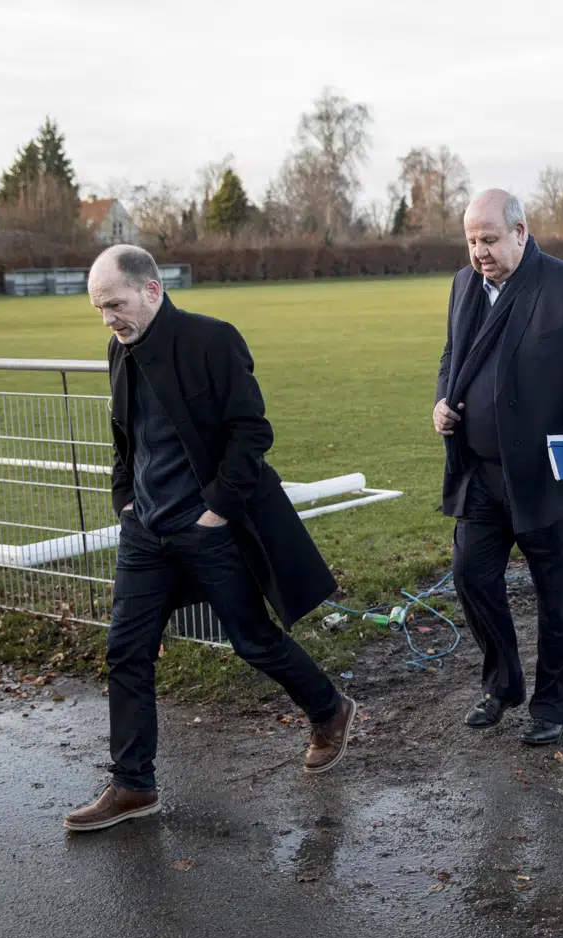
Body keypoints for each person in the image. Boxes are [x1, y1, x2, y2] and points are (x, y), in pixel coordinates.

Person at [65, 245, 355, 833]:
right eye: (98, 309)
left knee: (253, 642)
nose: (107, 319)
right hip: (146, 532)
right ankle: (132, 785)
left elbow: (252, 431)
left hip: (209, 529)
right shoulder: (118, 351)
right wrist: (125, 503)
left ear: (151, 290)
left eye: (115, 304)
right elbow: (127, 440)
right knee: (126, 649)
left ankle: (329, 710)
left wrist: (216, 511)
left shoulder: (212, 340)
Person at [434, 189, 563, 746]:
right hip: (482, 473)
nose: (479, 251)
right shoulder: (464, 285)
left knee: (560, 596)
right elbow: (452, 355)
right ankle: (502, 684)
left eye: (488, 239)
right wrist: (443, 400)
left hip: (550, 475)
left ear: (520, 232)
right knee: (471, 577)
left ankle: (553, 704)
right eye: (471, 240)